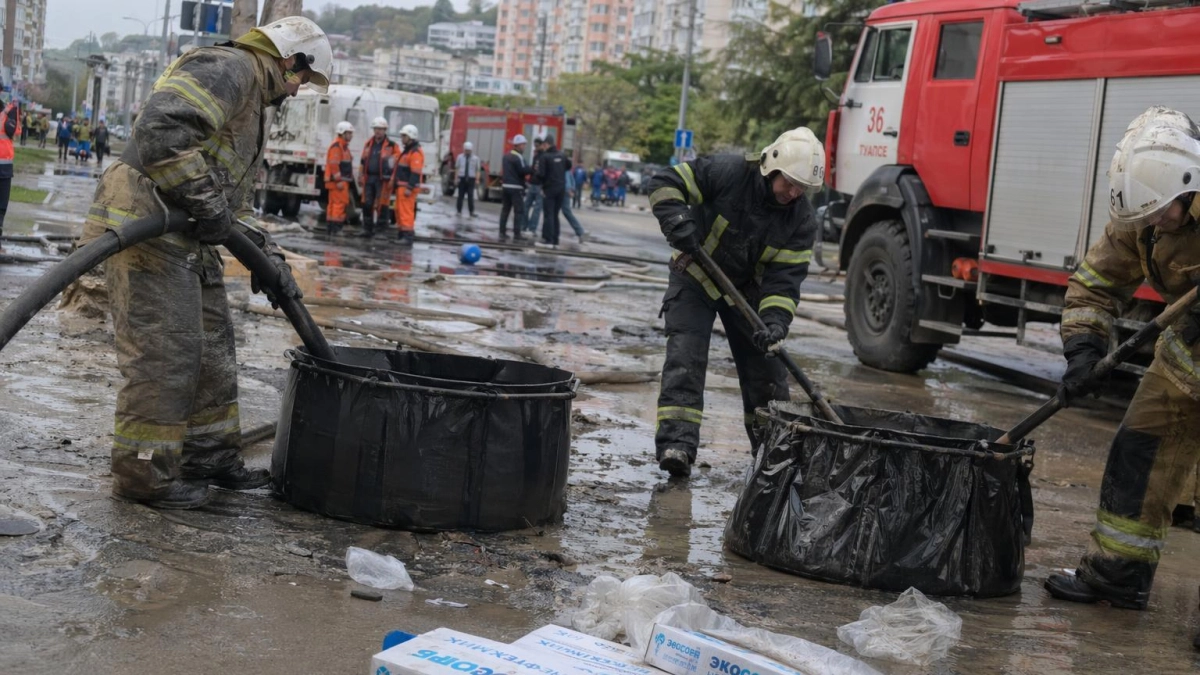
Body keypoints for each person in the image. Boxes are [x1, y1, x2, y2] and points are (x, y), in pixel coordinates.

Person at [76, 16, 331, 509]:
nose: (299, 91)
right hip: (147, 219)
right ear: (289, 59)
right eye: (303, 77)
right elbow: (160, 130)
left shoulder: (253, 100)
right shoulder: (229, 67)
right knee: (167, 352)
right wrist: (208, 204)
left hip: (188, 231)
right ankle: (144, 475)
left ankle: (208, 457)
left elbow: (236, 204)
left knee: (213, 343)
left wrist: (269, 260)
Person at [1042, 107, 1200, 653]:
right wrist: (1083, 351)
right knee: (1136, 452)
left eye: (1164, 215)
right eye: (1147, 217)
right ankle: (1117, 577)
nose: (1156, 224)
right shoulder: (1143, 211)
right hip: (1185, 363)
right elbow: (1095, 283)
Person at [647, 127, 823, 478]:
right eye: (788, 182)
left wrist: (774, 323)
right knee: (686, 356)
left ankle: (773, 452)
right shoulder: (728, 173)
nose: (793, 192)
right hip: (695, 276)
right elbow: (665, 182)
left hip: (747, 293)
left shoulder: (801, 220)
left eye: (801, 187)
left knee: (767, 373)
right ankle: (677, 447)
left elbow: (784, 281)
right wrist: (677, 220)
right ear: (770, 167)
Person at [359, 116, 395, 239]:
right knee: (367, 203)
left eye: (380, 129)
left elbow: (396, 164)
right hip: (369, 178)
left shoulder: (392, 146)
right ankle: (367, 229)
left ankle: (381, 231)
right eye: (376, 129)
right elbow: (363, 161)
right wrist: (360, 175)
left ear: (385, 130)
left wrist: (392, 179)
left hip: (382, 180)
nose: (378, 131)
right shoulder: (368, 143)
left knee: (382, 204)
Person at [535, 134, 568, 248]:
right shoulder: (562, 155)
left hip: (549, 189)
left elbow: (541, 174)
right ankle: (555, 240)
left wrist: (537, 180)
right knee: (555, 214)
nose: (543, 147)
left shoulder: (545, 157)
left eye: (544, 144)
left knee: (548, 214)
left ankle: (548, 240)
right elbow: (568, 166)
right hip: (561, 188)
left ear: (546, 144)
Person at [392, 123, 423, 246]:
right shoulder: (408, 151)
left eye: (404, 136)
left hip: (407, 188)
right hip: (402, 187)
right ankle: (402, 235)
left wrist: (409, 187)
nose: (402, 138)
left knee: (406, 212)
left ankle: (407, 236)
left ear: (411, 137)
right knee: (400, 211)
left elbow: (415, 172)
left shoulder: (414, 152)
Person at [324, 120, 354, 235]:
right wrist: (338, 180)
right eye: (349, 133)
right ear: (342, 133)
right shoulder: (338, 146)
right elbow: (334, 164)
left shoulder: (342, 146)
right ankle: (336, 228)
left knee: (333, 205)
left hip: (337, 182)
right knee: (339, 204)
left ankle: (331, 227)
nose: (351, 135)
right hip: (338, 182)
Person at [499, 133, 529, 242]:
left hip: (505, 186)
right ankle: (517, 234)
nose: (524, 147)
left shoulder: (506, 156)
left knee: (505, 210)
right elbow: (523, 170)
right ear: (517, 145)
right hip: (516, 187)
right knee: (518, 211)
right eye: (523, 145)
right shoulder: (518, 157)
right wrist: (532, 169)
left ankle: (502, 232)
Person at [0, 97, 19, 237]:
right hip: (4, 166)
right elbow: (14, 131)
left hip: (4, 166)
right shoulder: (8, 111)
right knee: (1, 205)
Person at [562, 158, 588, 244]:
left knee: (555, 213)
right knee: (566, 212)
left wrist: (569, 190)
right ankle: (580, 232)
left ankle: (580, 231)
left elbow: (569, 180)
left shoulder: (564, 169)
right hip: (566, 191)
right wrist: (572, 189)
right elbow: (572, 180)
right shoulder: (570, 170)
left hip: (562, 192)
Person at [524, 135, 545, 236]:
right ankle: (525, 227)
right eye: (535, 146)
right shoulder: (536, 156)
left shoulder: (543, 156)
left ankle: (531, 228)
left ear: (542, 145)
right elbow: (533, 169)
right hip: (534, 184)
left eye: (537, 146)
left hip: (539, 185)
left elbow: (542, 172)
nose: (536, 148)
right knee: (527, 206)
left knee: (535, 208)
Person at [456, 141, 481, 217]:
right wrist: (456, 178)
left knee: (470, 196)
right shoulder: (460, 157)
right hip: (462, 178)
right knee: (460, 196)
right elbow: (457, 168)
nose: (467, 152)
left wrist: (477, 179)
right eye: (466, 150)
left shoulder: (475, 158)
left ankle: (471, 212)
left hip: (471, 179)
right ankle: (459, 211)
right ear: (464, 150)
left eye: (469, 151)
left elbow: (478, 169)